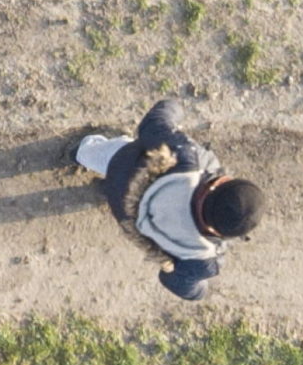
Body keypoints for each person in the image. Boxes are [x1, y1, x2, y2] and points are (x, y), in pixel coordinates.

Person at [72, 99, 266, 301]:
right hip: (126, 215)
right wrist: (199, 291)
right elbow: (174, 282)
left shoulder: (185, 158)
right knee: (119, 193)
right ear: (222, 234)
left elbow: (151, 126)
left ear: (219, 182)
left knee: (98, 153)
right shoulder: (204, 260)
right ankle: (105, 188)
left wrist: (174, 107)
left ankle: (79, 152)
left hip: (122, 164)